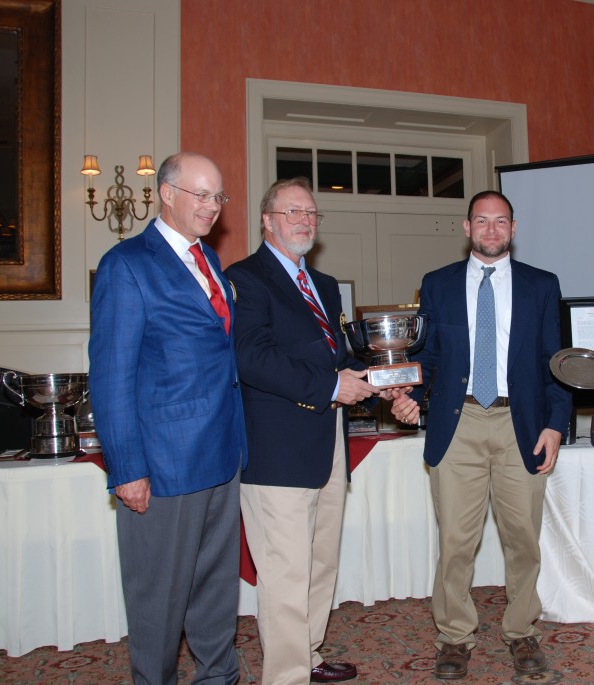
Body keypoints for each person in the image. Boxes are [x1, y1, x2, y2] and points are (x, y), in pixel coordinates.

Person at [390, 190, 572, 680]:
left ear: (514, 228)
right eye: (482, 222)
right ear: (466, 228)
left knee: (523, 540)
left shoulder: (542, 285)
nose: (491, 231)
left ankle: (521, 632)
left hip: (524, 425)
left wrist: (557, 423)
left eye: (501, 222)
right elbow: (426, 360)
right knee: (455, 541)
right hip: (459, 423)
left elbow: (556, 362)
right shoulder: (438, 284)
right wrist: (409, 394)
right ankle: (453, 636)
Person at [225, 177, 391, 684]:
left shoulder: (322, 284)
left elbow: (336, 357)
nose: (305, 221)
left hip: (328, 443)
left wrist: (384, 379)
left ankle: (309, 654)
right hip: (277, 450)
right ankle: (286, 675)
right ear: (266, 220)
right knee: (285, 572)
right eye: (293, 211)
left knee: (320, 563)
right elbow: (251, 357)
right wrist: (328, 386)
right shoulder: (245, 278)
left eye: (312, 214)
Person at [88, 152, 246, 685]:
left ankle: (218, 676)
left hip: (222, 454)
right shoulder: (127, 264)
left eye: (217, 196)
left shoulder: (210, 263)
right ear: (167, 194)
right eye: (200, 194)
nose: (211, 206)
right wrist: (127, 467)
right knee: (159, 596)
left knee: (215, 589)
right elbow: (112, 375)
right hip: (164, 463)